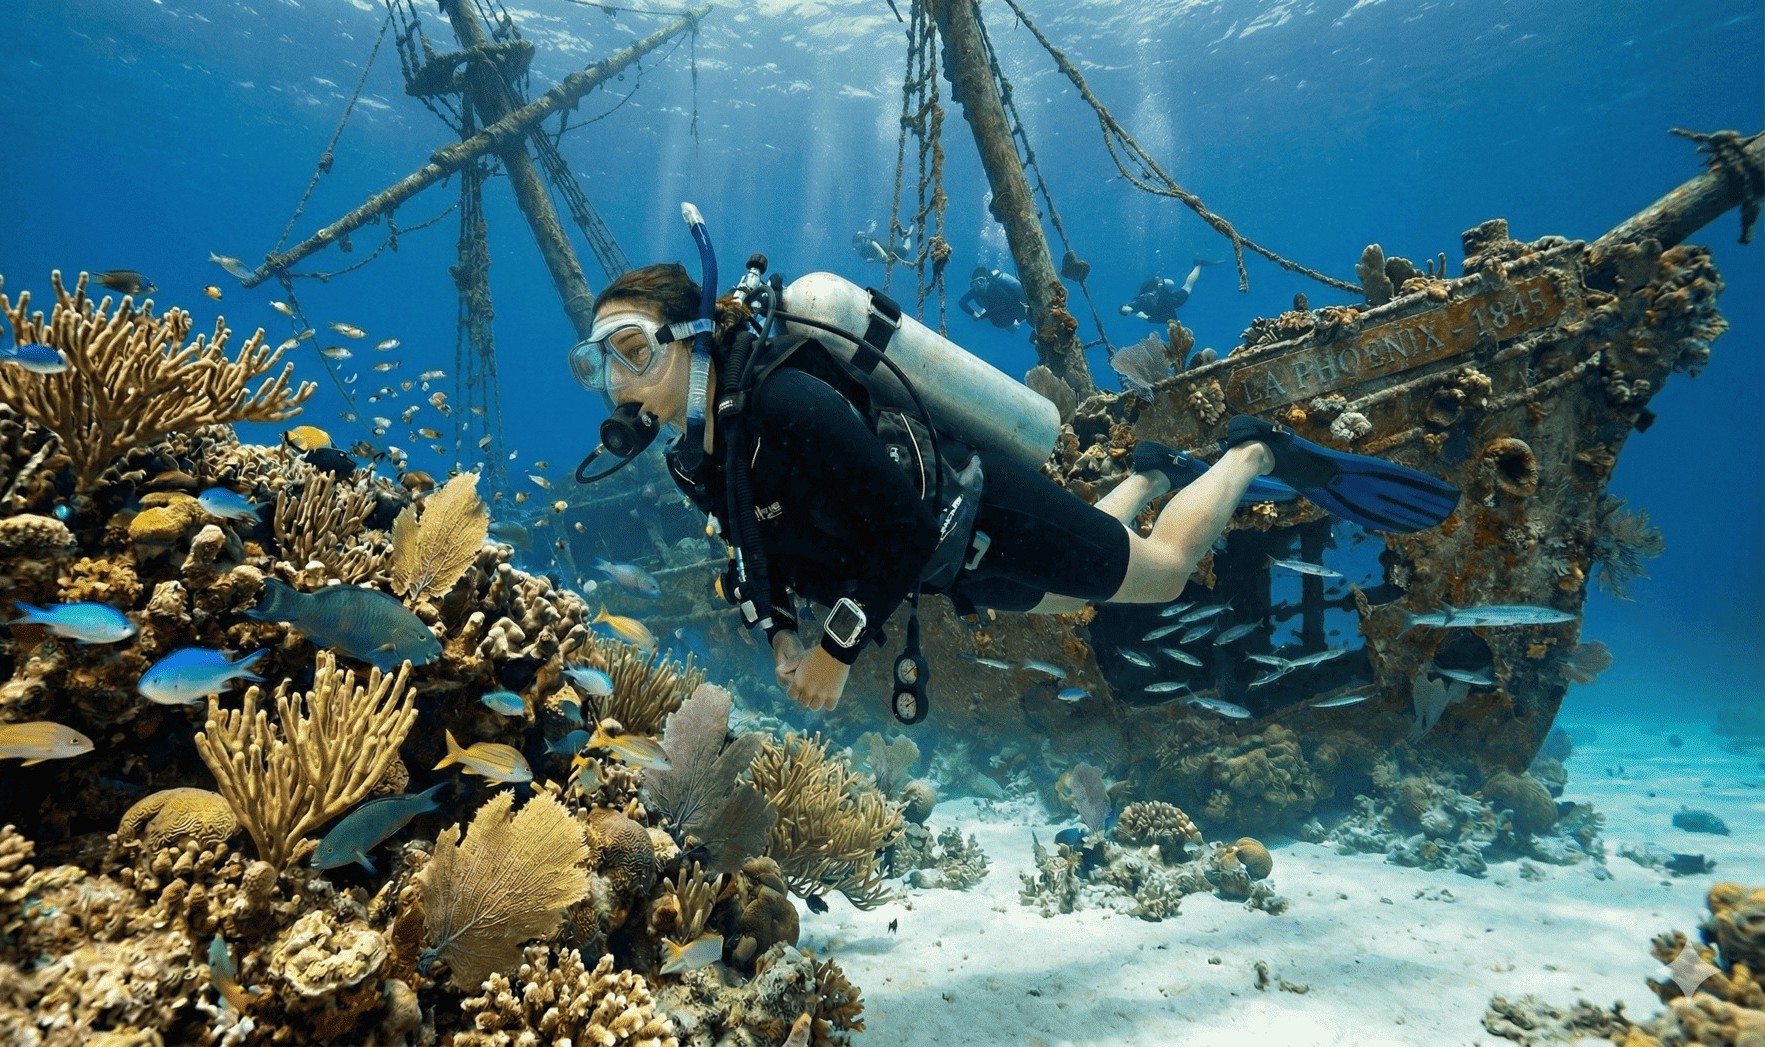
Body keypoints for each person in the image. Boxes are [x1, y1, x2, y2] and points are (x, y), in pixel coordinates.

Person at [571, 263, 1458, 713]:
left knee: (1165, 573)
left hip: (980, 512)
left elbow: (901, 530)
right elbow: (752, 551)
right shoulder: (696, 454)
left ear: (691, 337)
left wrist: (836, 650)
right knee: (1079, 594)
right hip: (959, 567)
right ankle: (1149, 468)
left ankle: (1249, 453)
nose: (616, 380)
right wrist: (774, 628)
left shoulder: (784, 399)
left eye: (633, 348)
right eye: (598, 361)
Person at [1121, 258, 1222, 324]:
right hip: (1162, 290)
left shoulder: (1141, 304)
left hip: (1164, 296)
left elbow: (1167, 315)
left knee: (1187, 288)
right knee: (1187, 287)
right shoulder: (1139, 301)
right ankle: (1198, 265)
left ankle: (1198, 265)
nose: (1129, 311)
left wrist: (1147, 318)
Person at [959, 266, 1027, 330]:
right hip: (996, 316)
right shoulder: (974, 291)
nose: (979, 285)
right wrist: (974, 314)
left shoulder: (996, 287)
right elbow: (961, 302)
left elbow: (1014, 302)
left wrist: (1017, 319)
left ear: (987, 280)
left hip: (1010, 311)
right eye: (975, 283)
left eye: (981, 281)